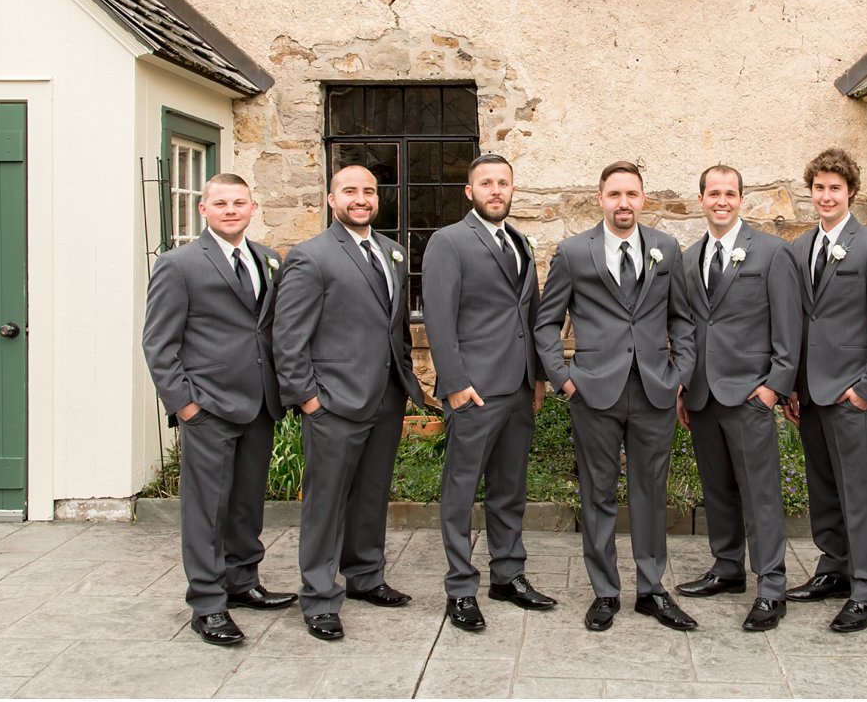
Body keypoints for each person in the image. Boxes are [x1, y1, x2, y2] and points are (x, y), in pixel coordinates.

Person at [535, 161, 698, 632]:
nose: (623, 203)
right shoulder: (572, 252)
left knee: (651, 492)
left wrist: (680, 372)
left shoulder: (666, 249)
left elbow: (681, 319)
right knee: (598, 493)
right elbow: (547, 322)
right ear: (600, 198)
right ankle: (605, 591)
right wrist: (564, 378)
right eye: (614, 195)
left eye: (631, 194)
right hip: (594, 390)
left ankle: (651, 589)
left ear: (643, 198)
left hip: (653, 389)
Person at [142, 173, 296, 647]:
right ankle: (207, 603)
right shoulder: (178, 265)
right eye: (221, 203)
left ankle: (242, 581)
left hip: (259, 404)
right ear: (204, 210)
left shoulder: (269, 261)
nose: (231, 210)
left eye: (240, 202)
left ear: (252, 208)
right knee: (207, 510)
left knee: (247, 502)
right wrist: (185, 405)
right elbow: (158, 344)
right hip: (207, 407)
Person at [273, 164, 424, 641]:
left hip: (385, 396)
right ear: (332, 199)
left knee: (373, 493)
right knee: (327, 501)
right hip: (334, 402)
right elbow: (288, 337)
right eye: (350, 191)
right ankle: (318, 595)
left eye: (369, 191)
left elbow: (394, 327)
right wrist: (309, 400)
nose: (361, 199)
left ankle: (365, 576)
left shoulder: (393, 253)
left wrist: (404, 380)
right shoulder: (310, 257)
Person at [421, 153, 557, 632]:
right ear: (469, 191)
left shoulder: (520, 241)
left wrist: (537, 377)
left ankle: (508, 574)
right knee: (461, 490)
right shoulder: (449, 242)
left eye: (503, 183)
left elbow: (534, 312)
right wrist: (455, 384)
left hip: (519, 387)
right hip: (474, 390)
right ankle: (460, 588)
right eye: (486, 183)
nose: (495, 190)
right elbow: (438, 317)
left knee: (509, 488)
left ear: (512, 189)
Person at [675, 165, 802, 632]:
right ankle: (727, 568)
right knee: (718, 489)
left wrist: (774, 387)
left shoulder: (771, 253)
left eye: (730, 193)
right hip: (703, 394)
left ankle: (771, 586)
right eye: (713, 193)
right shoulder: (690, 258)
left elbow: (789, 328)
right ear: (702, 199)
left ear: (741, 199)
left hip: (751, 392)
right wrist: (684, 387)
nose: (721, 201)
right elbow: (688, 327)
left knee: (760, 493)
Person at [782, 148, 867, 633]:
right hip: (809, 394)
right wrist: (792, 387)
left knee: (858, 491)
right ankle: (833, 568)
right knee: (823, 487)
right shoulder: (799, 248)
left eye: (835, 187)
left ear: (850, 192)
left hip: (851, 393)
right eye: (819, 188)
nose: (826, 196)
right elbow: (795, 322)